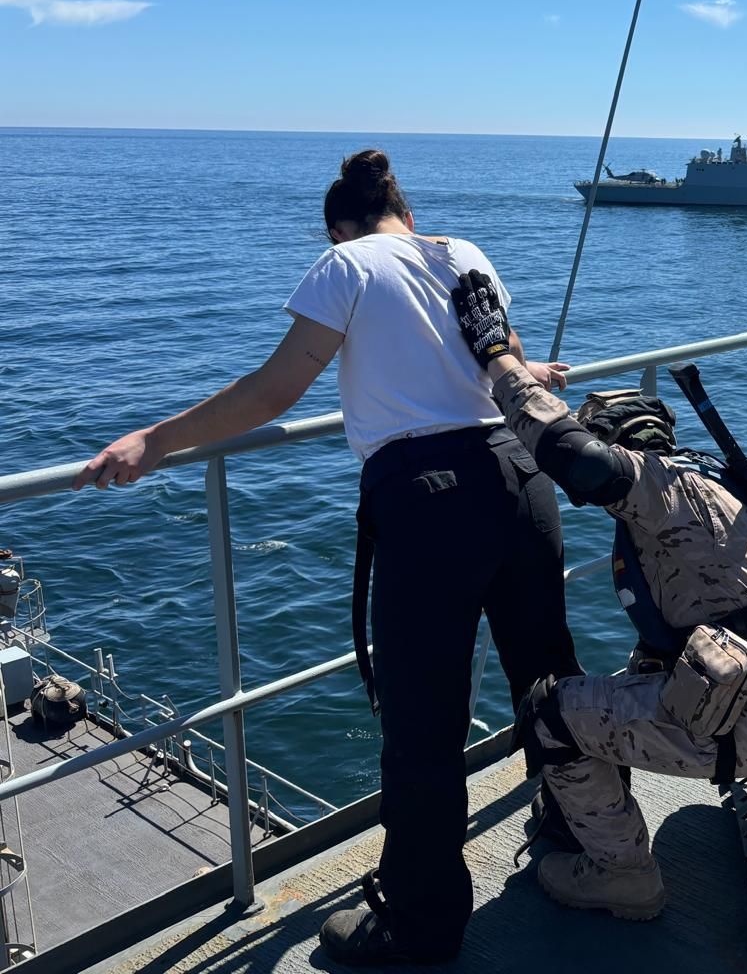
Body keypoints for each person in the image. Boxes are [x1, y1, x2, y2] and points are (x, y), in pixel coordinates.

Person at [74, 149, 583, 966]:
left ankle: (421, 921)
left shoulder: (341, 264)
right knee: (552, 681)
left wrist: (153, 439)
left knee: (423, 725)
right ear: (407, 216)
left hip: (430, 504)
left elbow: (273, 394)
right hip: (520, 481)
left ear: (339, 228)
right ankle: (590, 846)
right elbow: (502, 359)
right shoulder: (466, 253)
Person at [450, 270, 747, 921]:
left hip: (746, 725)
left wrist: (499, 359)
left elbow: (576, 458)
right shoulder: (724, 487)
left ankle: (623, 875)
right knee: (726, 648)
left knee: (551, 713)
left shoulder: (653, 487)